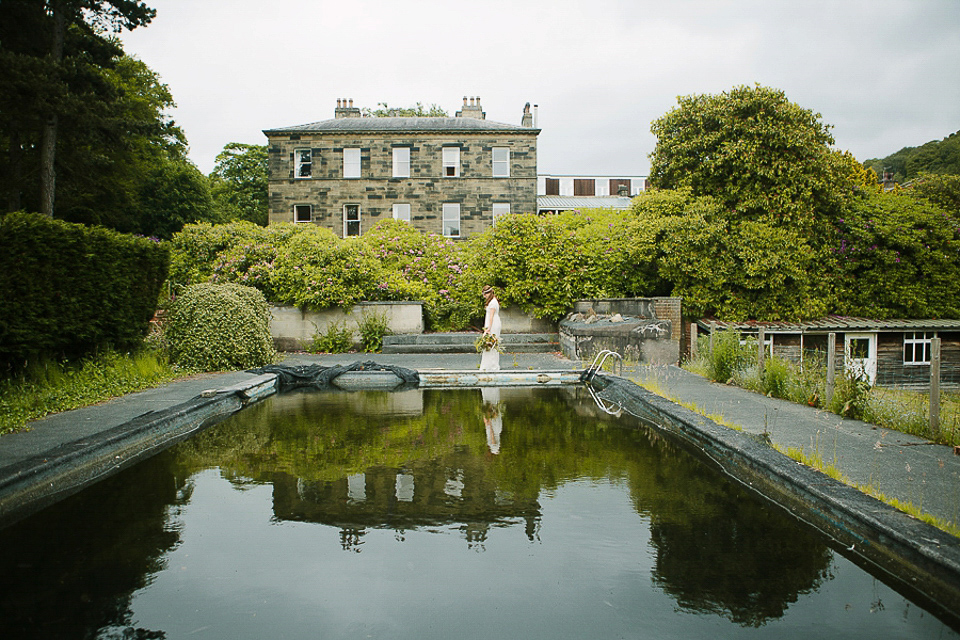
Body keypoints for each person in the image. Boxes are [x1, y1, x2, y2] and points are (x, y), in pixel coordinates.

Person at [479, 285, 501, 371]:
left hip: (493, 324)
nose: (484, 296)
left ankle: (491, 366)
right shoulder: (493, 301)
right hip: (492, 323)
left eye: (485, 294)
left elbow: (491, 317)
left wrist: (488, 329)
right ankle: (489, 365)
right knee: (489, 344)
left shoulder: (492, 303)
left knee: (491, 343)